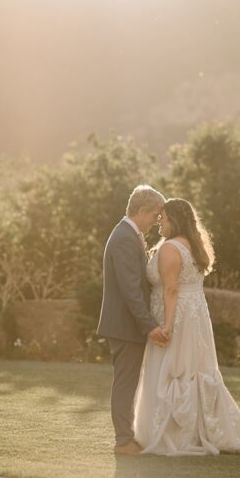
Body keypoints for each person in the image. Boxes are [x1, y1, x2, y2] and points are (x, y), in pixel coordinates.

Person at [133, 198, 240, 456]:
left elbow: (172, 290)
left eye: (163, 217)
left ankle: (177, 433)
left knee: (175, 368)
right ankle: (204, 428)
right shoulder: (193, 245)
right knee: (192, 368)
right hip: (195, 314)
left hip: (177, 316)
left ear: (174, 220)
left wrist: (167, 325)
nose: (159, 222)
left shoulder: (170, 248)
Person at [97, 185, 168, 455]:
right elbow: (130, 289)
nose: (156, 222)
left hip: (127, 324)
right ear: (141, 211)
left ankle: (127, 437)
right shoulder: (125, 237)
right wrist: (149, 325)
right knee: (125, 383)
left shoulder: (128, 234)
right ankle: (123, 441)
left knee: (128, 382)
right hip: (125, 326)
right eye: (155, 216)